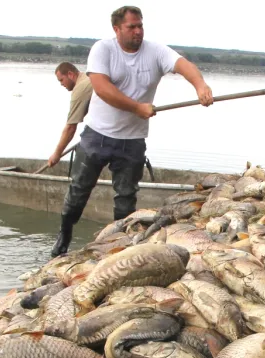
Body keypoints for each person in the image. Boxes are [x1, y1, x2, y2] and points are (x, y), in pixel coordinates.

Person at [50, 5, 214, 257]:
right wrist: (137, 107)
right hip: (96, 136)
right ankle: (64, 235)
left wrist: (200, 85)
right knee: (79, 190)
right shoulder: (102, 49)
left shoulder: (156, 51)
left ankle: (119, 246)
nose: (138, 31)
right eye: (131, 27)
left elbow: (184, 65)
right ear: (117, 29)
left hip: (132, 140)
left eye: (140, 26)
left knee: (126, 197)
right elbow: (102, 88)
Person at [47, 62, 93, 169]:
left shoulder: (81, 88)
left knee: (84, 149)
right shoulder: (87, 78)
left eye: (61, 80)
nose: (61, 84)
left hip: (109, 130)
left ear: (70, 74)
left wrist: (57, 154)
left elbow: (70, 128)